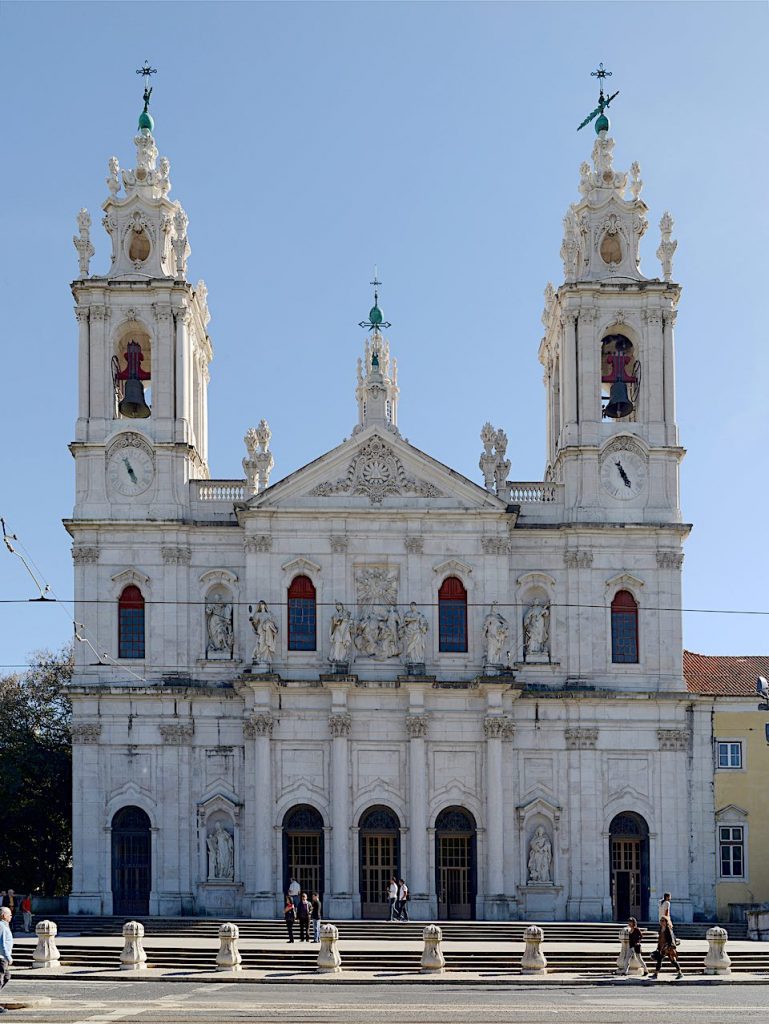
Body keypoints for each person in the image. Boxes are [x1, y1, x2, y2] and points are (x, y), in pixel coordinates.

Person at [653, 895, 682, 979]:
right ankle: (656, 973)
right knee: (659, 960)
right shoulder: (661, 929)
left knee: (673, 961)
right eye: (661, 921)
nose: (661, 922)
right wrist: (658, 947)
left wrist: (669, 947)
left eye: (663, 921)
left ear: (666, 922)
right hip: (663, 947)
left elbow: (671, 939)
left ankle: (680, 972)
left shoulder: (668, 930)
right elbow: (660, 939)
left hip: (668, 948)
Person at [0, 906, 13, 1012]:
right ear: (4, 915)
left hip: (3, 957)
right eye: (10, 914)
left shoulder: (4, 925)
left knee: (7, 976)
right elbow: (2, 943)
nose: (11, 916)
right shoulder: (1, 926)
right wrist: (8, 957)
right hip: (1, 958)